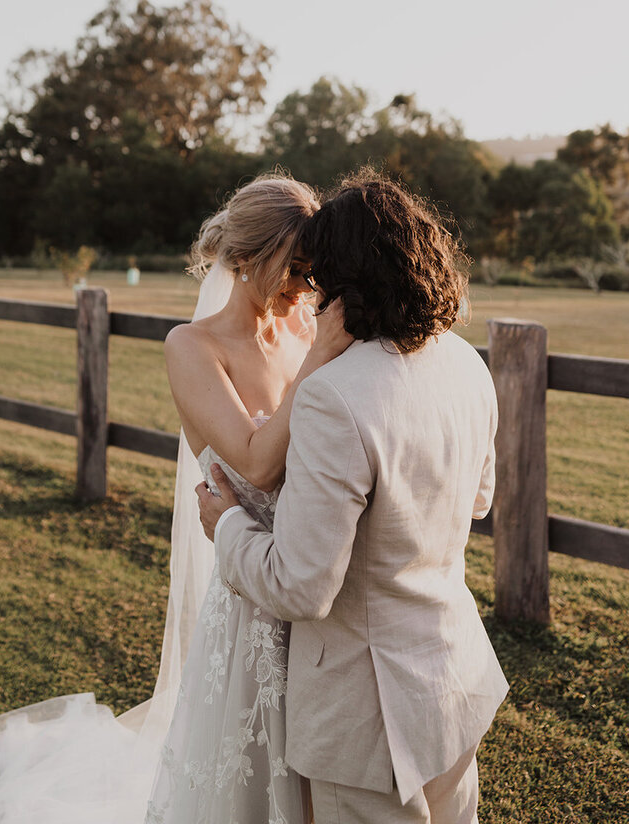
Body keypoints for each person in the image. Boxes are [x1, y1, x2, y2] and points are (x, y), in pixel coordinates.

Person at [0, 173, 350, 824]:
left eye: (312, 272)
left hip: (309, 572)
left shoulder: (303, 328)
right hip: (250, 584)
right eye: (293, 269)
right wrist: (322, 358)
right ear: (248, 258)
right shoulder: (194, 347)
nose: (304, 287)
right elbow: (255, 466)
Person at [198, 170, 510, 824]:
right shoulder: (466, 364)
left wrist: (227, 525)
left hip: (371, 723)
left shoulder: (332, 397)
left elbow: (301, 587)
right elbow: (478, 499)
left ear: (339, 279)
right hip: (455, 682)